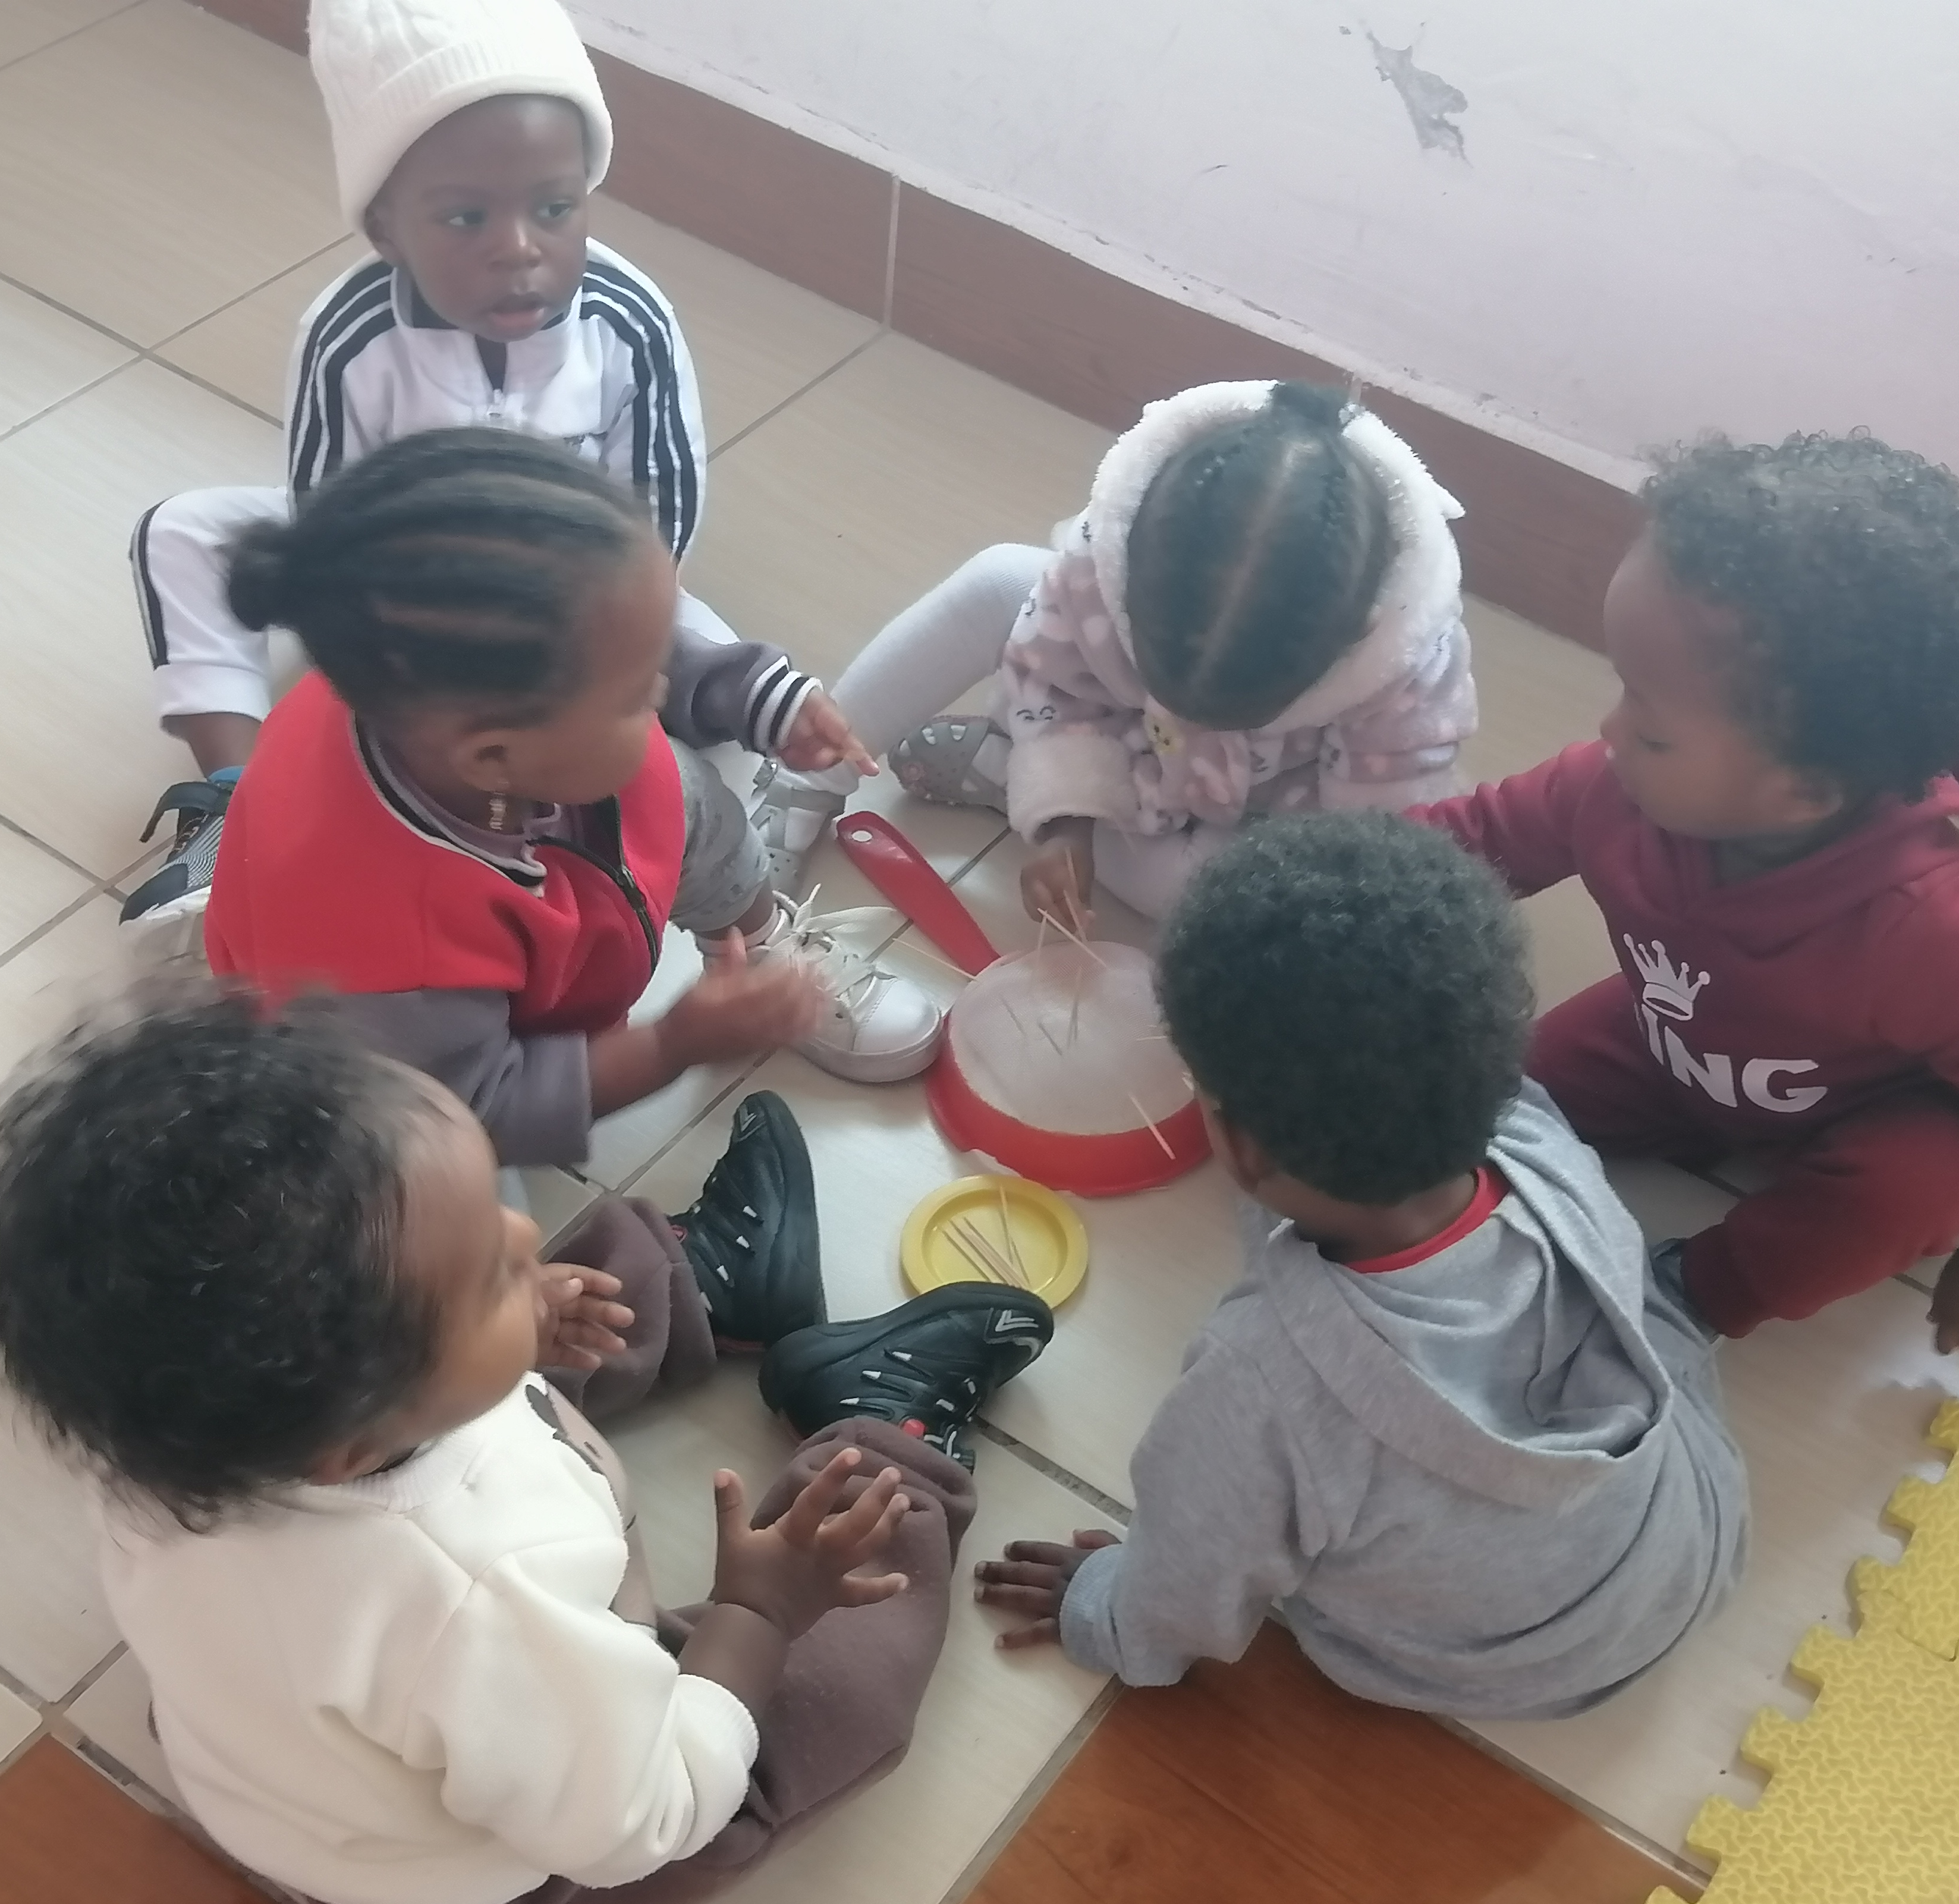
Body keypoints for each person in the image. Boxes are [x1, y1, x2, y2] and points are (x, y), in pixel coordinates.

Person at [0, 992, 1052, 1904]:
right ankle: (890, 1433)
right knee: (811, 1728)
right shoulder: (476, 1596)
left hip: (301, 1717)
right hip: (481, 1858)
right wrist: (759, 1614)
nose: (524, 1228)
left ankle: (710, 1285)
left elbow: (417, 1342)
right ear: (351, 1446)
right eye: (490, 1269)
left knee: (487, 1293)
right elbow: (645, 1814)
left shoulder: (169, 1427)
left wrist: (504, 1307)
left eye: (493, 1205)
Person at [122, 0, 867, 951]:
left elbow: (659, 523)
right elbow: (328, 515)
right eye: (467, 216)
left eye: (553, 208)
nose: (518, 247)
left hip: (596, 591)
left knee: (706, 665)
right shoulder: (348, 337)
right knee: (182, 533)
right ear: (387, 226)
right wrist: (424, 656)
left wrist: (603, 653)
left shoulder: (629, 319)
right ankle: (239, 803)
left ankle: (735, 832)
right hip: (414, 610)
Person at [975, 812, 1747, 1720]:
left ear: (1241, 1145)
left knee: (1280, 1519)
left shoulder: (1258, 1381)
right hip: (1691, 1541)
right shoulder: (1542, 1141)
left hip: (1509, 1666)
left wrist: (1102, 1609)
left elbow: (1183, 1592)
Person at [1414, 432, 1959, 1352]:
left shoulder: (1942, 935)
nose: (1610, 730)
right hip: (1672, 1049)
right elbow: (1459, 847)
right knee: (1488, 1100)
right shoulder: (1611, 788)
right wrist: (1286, 898)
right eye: (1623, 690)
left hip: (1874, 1112)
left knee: (1911, 1191)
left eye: (1652, 727)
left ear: (1804, 792)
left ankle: (1683, 1300)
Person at [204, 430, 943, 1178]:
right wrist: (672, 1043)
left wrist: (753, 696)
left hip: (559, 848)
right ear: (494, 756)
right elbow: (481, 1109)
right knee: (437, 1191)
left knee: (685, 795)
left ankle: (760, 945)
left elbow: (621, 638)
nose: (663, 690)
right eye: (637, 694)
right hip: (424, 1077)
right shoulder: (393, 954)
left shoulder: (446, 690)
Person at [749, 380, 1476, 926]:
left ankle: (1006, 776)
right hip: (1121, 734)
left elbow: (1364, 855)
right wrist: (1066, 824)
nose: (1192, 715)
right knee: (1001, 579)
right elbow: (1055, 677)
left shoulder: (1404, 673)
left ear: (1350, 643)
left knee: (1234, 901)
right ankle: (808, 776)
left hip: (1252, 813)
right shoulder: (1105, 557)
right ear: (1127, 568)